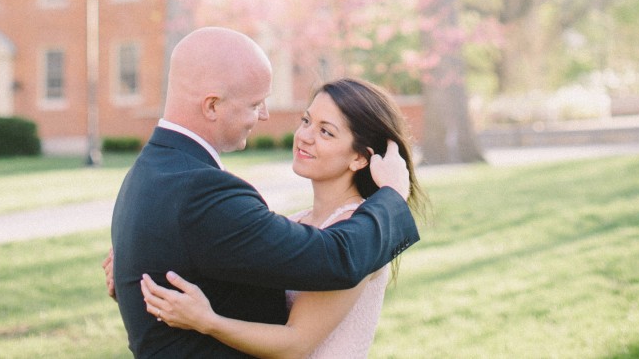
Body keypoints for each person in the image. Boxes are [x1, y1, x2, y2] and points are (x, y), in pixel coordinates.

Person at [109, 27, 419, 357]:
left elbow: (290, 324)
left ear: (360, 156)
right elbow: (336, 258)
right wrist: (392, 196)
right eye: (256, 104)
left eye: (326, 131)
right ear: (212, 106)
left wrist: (201, 316)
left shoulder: (147, 171)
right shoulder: (204, 190)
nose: (266, 116)